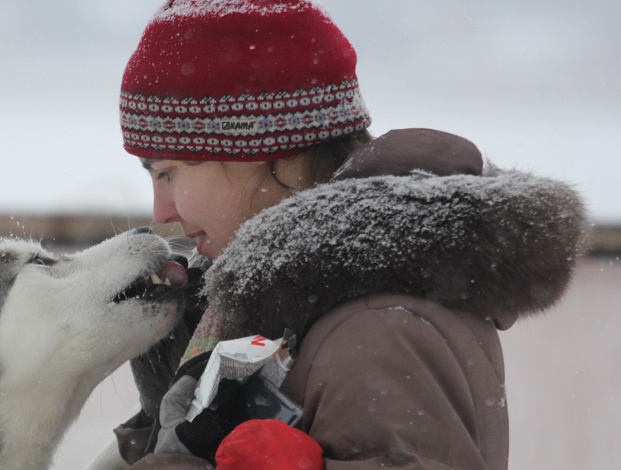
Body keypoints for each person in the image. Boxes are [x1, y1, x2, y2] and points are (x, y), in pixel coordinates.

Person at [99, 1, 588, 469]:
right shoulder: (303, 305)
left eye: (167, 173)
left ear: (261, 147)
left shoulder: (381, 326)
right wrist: (174, 384)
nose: (162, 212)